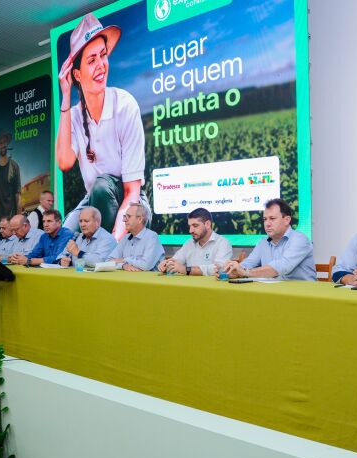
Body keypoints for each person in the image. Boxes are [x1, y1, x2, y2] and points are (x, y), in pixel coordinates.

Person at [56, 12, 148, 240]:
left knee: (100, 187)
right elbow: (64, 161)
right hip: (94, 202)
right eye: (91, 60)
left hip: (133, 204)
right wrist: (65, 96)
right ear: (76, 74)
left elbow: (132, 192)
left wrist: (111, 248)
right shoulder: (76, 115)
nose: (101, 65)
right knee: (64, 237)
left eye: (103, 56)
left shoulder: (125, 105)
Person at [223, 199, 316, 281]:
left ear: (287, 220)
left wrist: (245, 272)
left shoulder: (300, 239)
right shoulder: (263, 242)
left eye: (272, 218)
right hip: (273, 293)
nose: (267, 224)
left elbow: (283, 266)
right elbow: (248, 263)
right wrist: (233, 270)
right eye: (265, 219)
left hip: (302, 294)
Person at [158, 207, 232, 276]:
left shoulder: (223, 243)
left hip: (213, 288)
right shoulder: (189, 243)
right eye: (189, 226)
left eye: (195, 226)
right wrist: (167, 264)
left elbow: (219, 269)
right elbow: (177, 260)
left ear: (207, 224)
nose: (190, 231)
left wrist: (186, 270)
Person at [108, 203, 164, 271]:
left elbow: (145, 265)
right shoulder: (125, 238)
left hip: (148, 280)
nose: (124, 220)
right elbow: (109, 261)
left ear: (140, 219)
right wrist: (123, 265)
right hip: (128, 279)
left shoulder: (152, 237)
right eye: (124, 216)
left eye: (128, 216)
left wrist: (124, 260)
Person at [0, 131, 21, 234]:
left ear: (7, 144)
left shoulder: (14, 166)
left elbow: (18, 197)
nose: (3, 145)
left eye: (4, 142)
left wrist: (18, 223)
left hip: (12, 224)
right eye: (0, 143)